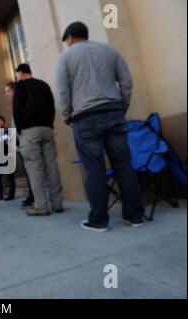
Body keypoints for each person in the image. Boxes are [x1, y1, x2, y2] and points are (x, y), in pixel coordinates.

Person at [55, 21, 145, 231]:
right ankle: (135, 217)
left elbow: (63, 91)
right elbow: (127, 82)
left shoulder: (66, 57)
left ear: (70, 38)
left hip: (85, 117)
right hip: (113, 112)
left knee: (94, 170)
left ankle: (99, 220)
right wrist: (122, 107)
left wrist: (68, 116)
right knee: (124, 166)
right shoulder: (109, 50)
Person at [13, 64, 64, 217]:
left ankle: (41, 205)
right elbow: (52, 107)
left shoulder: (21, 86)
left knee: (35, 168)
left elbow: (16, 109)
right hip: (47, 129)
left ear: (21, 73)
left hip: (29, 131)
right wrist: (49, 124)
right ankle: (57, 203)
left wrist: (20, 130)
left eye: (17, 75)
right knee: (51, 166)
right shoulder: (44, 85)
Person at [5, 82, 34, 208]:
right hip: (19, 142)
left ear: (13, 90)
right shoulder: (15, 103)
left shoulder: (21, 102)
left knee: (31, 170)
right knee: (27, 170)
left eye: (7, 91)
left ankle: (34, 196)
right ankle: (32, 194)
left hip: (25, 140)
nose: (6, 94)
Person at [0, 115, 16, 201]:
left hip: (7, 156)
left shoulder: (7, 131)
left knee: (9, 177)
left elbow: (10, 142)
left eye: (1, 120)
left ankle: (11, 194)